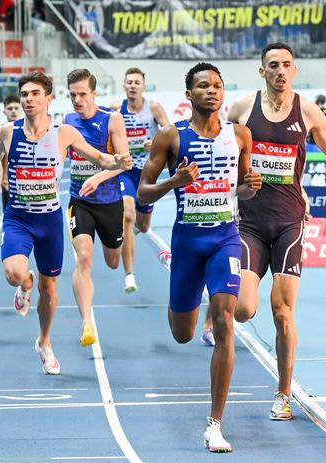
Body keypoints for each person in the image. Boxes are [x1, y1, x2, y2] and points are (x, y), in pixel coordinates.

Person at [227, 43, 326, 421]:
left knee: (282, 311)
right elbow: (222, 161)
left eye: (287, 65)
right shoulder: (240, 110)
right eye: (273, 65)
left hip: (290, 224)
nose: (280, 71)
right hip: (251, 224)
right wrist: (237, 188)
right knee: (242, 310)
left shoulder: (307, 111)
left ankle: (283, 395)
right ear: (262, 71)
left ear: (295, 69)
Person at [0, 72, 131, 374]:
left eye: (35, 94)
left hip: (50, 221)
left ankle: (44, 342)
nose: (29, 99)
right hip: (18, 218)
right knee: (14, 273)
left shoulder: (63, 133)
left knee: (49, 288)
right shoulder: (9, 131)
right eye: (25, 94)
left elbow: (98, 157)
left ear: (48, 100)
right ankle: (24, 284)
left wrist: (117, 162)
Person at [137, 62, 262, 453]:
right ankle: (183, 289)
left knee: (225, 318)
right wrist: (174, 182)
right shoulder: (170, 137)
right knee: (183, 333)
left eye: (217, 86)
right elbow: (142, 192)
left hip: (226, 238)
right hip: (188, 242)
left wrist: (250, 187)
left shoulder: (240, 135)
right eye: (203, 86)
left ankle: (215, 424)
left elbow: (242, 190)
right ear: (188, 95)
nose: (212, 91)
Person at [64, 68, 129, 347]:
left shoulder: (111, 120)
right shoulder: (67, 122)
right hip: (80, 202)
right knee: (84, 258)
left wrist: (98, 176)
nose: (77, 100)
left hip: (109, 202)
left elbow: (125, 162)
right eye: (72, 95)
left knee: (113, 261)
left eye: (82, 94)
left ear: (93, 93)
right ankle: (87, 322)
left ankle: (118, 242)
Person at [110, 67, 170, 293]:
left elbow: (170, 133)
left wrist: (155, 142)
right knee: (127, 215)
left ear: (143, 86)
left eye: (137, 82)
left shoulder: (153, 107)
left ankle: (130, 234)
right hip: (125, 170)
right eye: (129, 82)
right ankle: (129, 276)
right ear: (124, 86)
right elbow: (108, 137)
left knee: (143, 226)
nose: (133, 85)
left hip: (147, 172)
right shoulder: (116, 109)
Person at [0, 95, 23, 211]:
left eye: (16, 108)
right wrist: (3, 177)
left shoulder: (28, 128)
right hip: (10, 178)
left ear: (21, 109)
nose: (13, 111)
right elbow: (0, 157)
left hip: (26, 178)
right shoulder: (2, 131)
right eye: (10, 108)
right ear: (4, 111)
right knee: (9, 212)